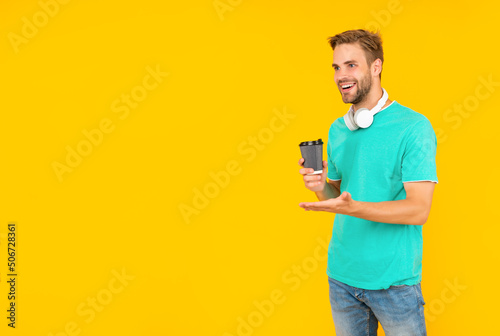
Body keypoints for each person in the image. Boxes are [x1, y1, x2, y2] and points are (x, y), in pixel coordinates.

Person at [298, 29, 438, 336]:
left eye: (351, 65)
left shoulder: (414, 127)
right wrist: (320, 185)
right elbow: (336, 198)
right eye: (336, 67)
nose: (341, 75)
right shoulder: (338, 129)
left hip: (394, 283)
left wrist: (354, 207)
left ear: (376, 67)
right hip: (342, 277)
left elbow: (418, 210)